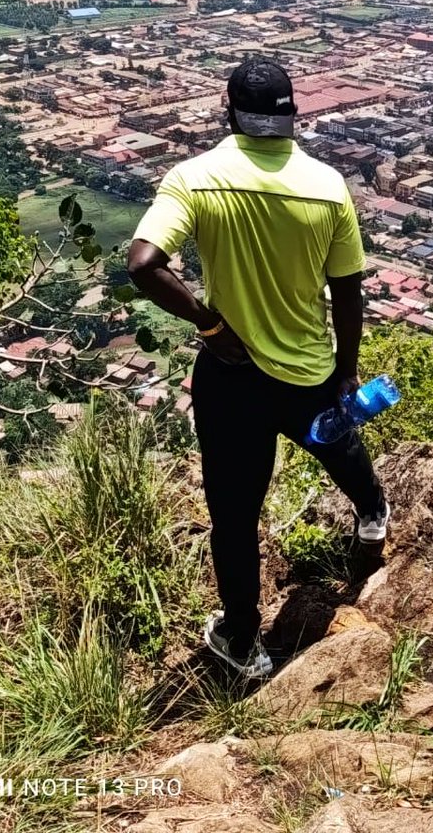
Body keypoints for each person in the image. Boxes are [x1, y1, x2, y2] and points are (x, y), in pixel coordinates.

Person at [127, 57, 388, 679]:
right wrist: (346, 370)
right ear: (293, 110)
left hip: (232, 376)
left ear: (228, 110)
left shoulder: (194, 178)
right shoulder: (327, 187)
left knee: (236, 516)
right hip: (308, 368)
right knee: (336, 441)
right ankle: (373, 514)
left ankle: (244, 643)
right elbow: (347, 291)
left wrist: (210, 325)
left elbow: (143, 264)